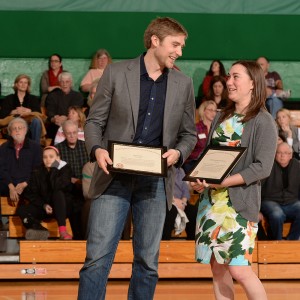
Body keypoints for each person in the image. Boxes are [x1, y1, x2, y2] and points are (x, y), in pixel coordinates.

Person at [77, 17, 197, 300]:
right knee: (97, 259)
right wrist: (97, 150)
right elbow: (94, 122)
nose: (179, 52)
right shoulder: (116, 73)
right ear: (155, 41)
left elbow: (189, 134)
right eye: (175, 44)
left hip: (156, 182)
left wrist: (178, 152)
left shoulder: (184, 83)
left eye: (182, 46)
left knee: (147, 263)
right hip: (113, 177)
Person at [191, 60, 277, 300]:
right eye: (229, 76)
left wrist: (224, 182)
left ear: (252, 83)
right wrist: (200, 180)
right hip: (210, 204)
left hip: (238, 207)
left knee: (239, 269)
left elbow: (262, 167)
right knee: (217, 269)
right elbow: (208, 157)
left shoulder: (263, 121)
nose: (229, 81)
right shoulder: (220, 117)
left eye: (236, 77)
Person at [17, 146, 74, 240]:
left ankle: (63, 231)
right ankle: (39, 230)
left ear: (58, 158)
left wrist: (54, 168)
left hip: (61, 208)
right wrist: (43, 205)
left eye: (51, 157)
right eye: (45, 157)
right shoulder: (37, 171)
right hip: (45, 207)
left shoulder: (65, 169)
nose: (48, 160)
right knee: (22, 209)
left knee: (58, 193)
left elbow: (56, 186)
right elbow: (30, 193)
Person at [0, 118, 42, 226]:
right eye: (14, 129)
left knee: (39, 188)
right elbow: (1, 169)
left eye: (20, 128)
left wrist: (25, 183)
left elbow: (37, 169)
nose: (17, 130)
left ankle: (34, 223)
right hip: (8, 184)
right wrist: (10, 186)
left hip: (28, 183)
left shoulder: (36, 147)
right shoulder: (4, 147)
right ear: (10, 132)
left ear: (26, 130)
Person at [56, 120, 89, 239]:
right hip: (68, 189)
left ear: (78, 132)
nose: (72, 135)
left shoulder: (86, 147)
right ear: (64, 133)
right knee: (73, 205)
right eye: (68, 133)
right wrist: (70, 180)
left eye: (74, 132)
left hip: (85, 188)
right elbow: (55, 173)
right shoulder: (57, 150)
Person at [260, 142, 300, 240]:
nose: (282, 156)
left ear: (290, 155)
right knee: (277, 214)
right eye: (279, 153)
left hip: (291, 202)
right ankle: (277, 241)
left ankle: (291, 241)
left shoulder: (297, 166)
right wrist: (256, 210)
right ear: (274, 154)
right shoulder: (268, 166)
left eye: (286, 153)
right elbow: (257, 188)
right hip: (270, 201)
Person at [0, 74, 45, 143]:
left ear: (28, 86)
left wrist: (29, 111)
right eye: (21, 82)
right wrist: (13, 112)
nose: (23, 84)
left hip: (29, 127)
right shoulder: (9, 98)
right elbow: (2, 115)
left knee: (36, 121)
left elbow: (39, 115)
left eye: (25, 83)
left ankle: (36, 148)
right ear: (16, 84)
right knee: (17, 120)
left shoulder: (33, 99)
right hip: (13, 126)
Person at [45, 71, 84, 139]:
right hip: (55, 124)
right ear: (59, 83)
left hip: (73, 124)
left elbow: (76, 111)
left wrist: (67, 119)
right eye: (62, 82)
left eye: (67, 82)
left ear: (71, 83)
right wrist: (54, 119)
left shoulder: (78, 96)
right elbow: (50, 111)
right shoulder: (52, 95)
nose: (64, 84)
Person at [183, 100, 217, 174]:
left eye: (215, 111)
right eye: (210, 110)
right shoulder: (196, 128)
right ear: (203, 111)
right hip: (193, 163)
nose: (213, 113)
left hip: (211, 163)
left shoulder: (217, 129)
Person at [162, 167, 190, 240]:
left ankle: (191, 244)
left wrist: (183, 202)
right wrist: (174, 200)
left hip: (181, 202)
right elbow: (164, 187)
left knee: (193, 212)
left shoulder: (181, 170)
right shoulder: (163, 168)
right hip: (167, 200)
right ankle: (165, 241)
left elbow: (185, 190)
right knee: (171, 211)